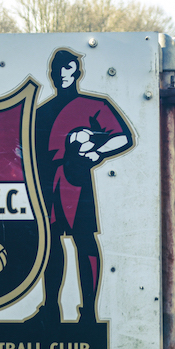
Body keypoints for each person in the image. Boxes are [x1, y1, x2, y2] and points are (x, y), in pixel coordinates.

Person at [35, 49, 133, 324]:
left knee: (84, 241)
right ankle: (51, 308)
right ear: (52, 74)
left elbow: (122, 137)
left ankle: (88, 312)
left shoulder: (94, 105)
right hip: (47, 182)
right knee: (51, 244)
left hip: (76, 181)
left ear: (77, 72)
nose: (62, 74)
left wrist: (98, 150)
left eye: (67, 68)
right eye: (57, 69)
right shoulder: (41, 112)